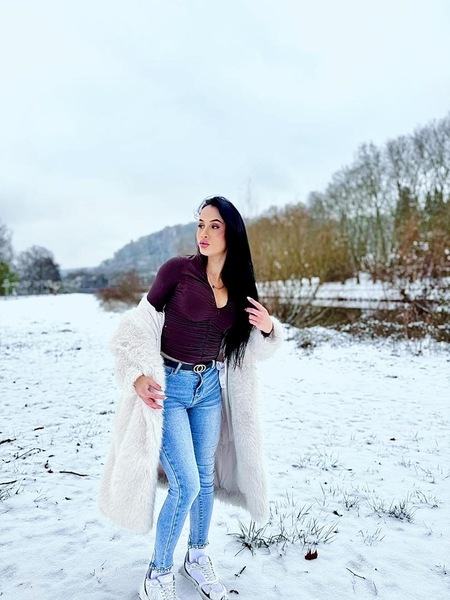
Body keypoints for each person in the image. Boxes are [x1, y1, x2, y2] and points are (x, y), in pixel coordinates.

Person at [98, 196, 283, 600]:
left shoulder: (240, 287)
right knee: (186, 484)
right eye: (200, 224)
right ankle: (158, 571)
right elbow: (135, 326)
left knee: (204, 479)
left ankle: (196, 556)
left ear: (231, 233)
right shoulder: (177, 271)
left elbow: (250, 348)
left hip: (209, 390)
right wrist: (136, 375)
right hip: (171, 388)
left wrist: (269, 328)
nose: (204, 233)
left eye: (214, 225)